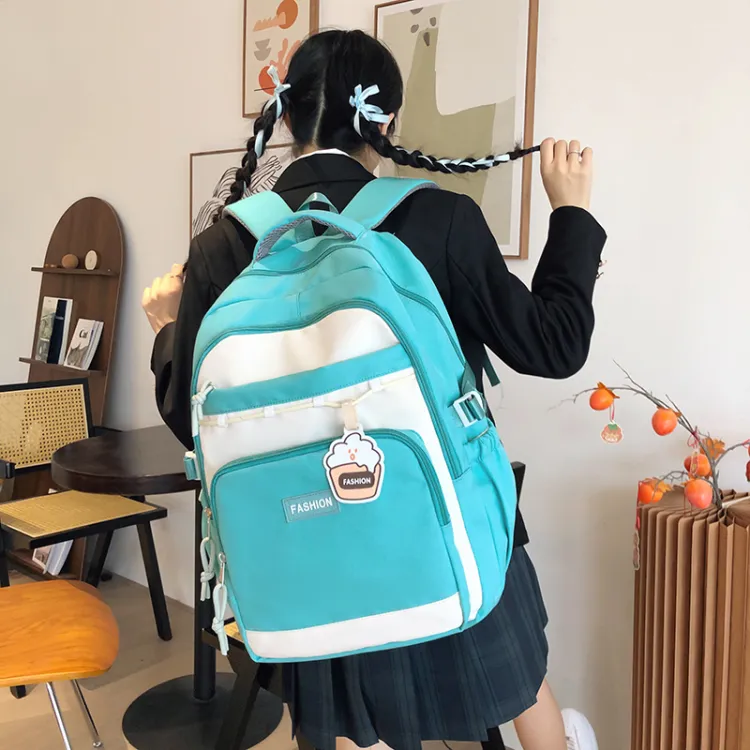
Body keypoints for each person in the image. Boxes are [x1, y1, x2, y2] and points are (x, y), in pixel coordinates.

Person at [143, 29, 606, 750]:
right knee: (522, 687)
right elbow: (555, 344)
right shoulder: (438, 217)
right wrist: (570, 214)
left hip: (308, 543)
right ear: (385, 121)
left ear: (287, 115)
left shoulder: (223, 245)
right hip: (445, 521)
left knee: (350, 729)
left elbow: (192, 419)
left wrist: (168, 331)